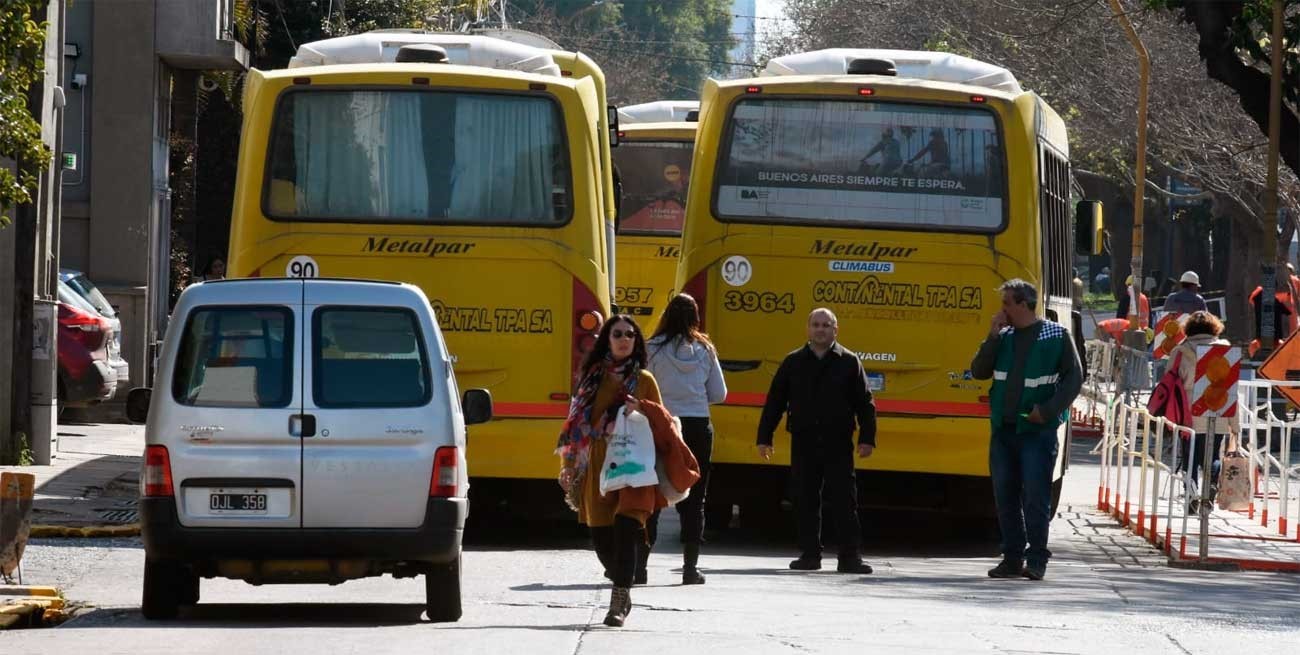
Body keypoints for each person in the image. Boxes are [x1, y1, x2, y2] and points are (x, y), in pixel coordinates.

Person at [556, 315, 700, 627]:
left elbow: (665, 426)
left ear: (636, 342)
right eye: (618, 334)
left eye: (630, 335)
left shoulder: (645, 379)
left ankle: (618, 601)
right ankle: (621, 580)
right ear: (607, 339)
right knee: (602, 541)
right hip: (598, 465)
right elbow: (574, 425)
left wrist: (643, 408)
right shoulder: (590, 377)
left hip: (634, 464)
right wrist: (568, 466)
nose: (624, 339)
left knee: (626, 530)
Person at [970, 279, 1083, 581]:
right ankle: (1012, 557)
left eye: (1006, 303)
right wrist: (991, 337)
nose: (1001, 309)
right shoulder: (1003, 336)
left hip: (1037, 431)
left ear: (1022, 304)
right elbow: (979, 371)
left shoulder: (1055, 335)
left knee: (1035, 496)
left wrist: (1046, 411)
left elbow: (1074, 379)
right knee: (1004, 495)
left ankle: (1036, 559)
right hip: (1004, 430)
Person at [756, 308, 877, 574]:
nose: (820, 329)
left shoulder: (849, 361)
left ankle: (849, 558)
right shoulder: (793, 362)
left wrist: (867, 438)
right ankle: (810, 555)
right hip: (804, 440)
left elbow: (865, 404)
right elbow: (775, 401)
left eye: (826, 325)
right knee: (805, 499)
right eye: (815, 324)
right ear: (808, 329)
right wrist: (764, 437)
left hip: (838, 442)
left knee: (845, 500)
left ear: (836, 329)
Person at [643, 294, 728, 585]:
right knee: (695, 496)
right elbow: (719, 394)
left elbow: (642, 387)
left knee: (653, 493)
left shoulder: (651, 348)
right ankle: (690, 569)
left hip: (661, 424)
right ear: (695, 317)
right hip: (696, 426)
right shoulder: (705, 350)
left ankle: (640, 567)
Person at [1169, 311, 1238, 512]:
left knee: (1190, 457)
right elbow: (1232, 387)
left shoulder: (1180, 351)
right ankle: (1211, 488)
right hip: (1220, 408)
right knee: (1214, 456)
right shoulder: (1225, 350)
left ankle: (1191, 498)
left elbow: (1170, 381)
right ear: (1214, 327)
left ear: (1188, 329)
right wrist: (1235, 425)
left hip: (1189, 413)